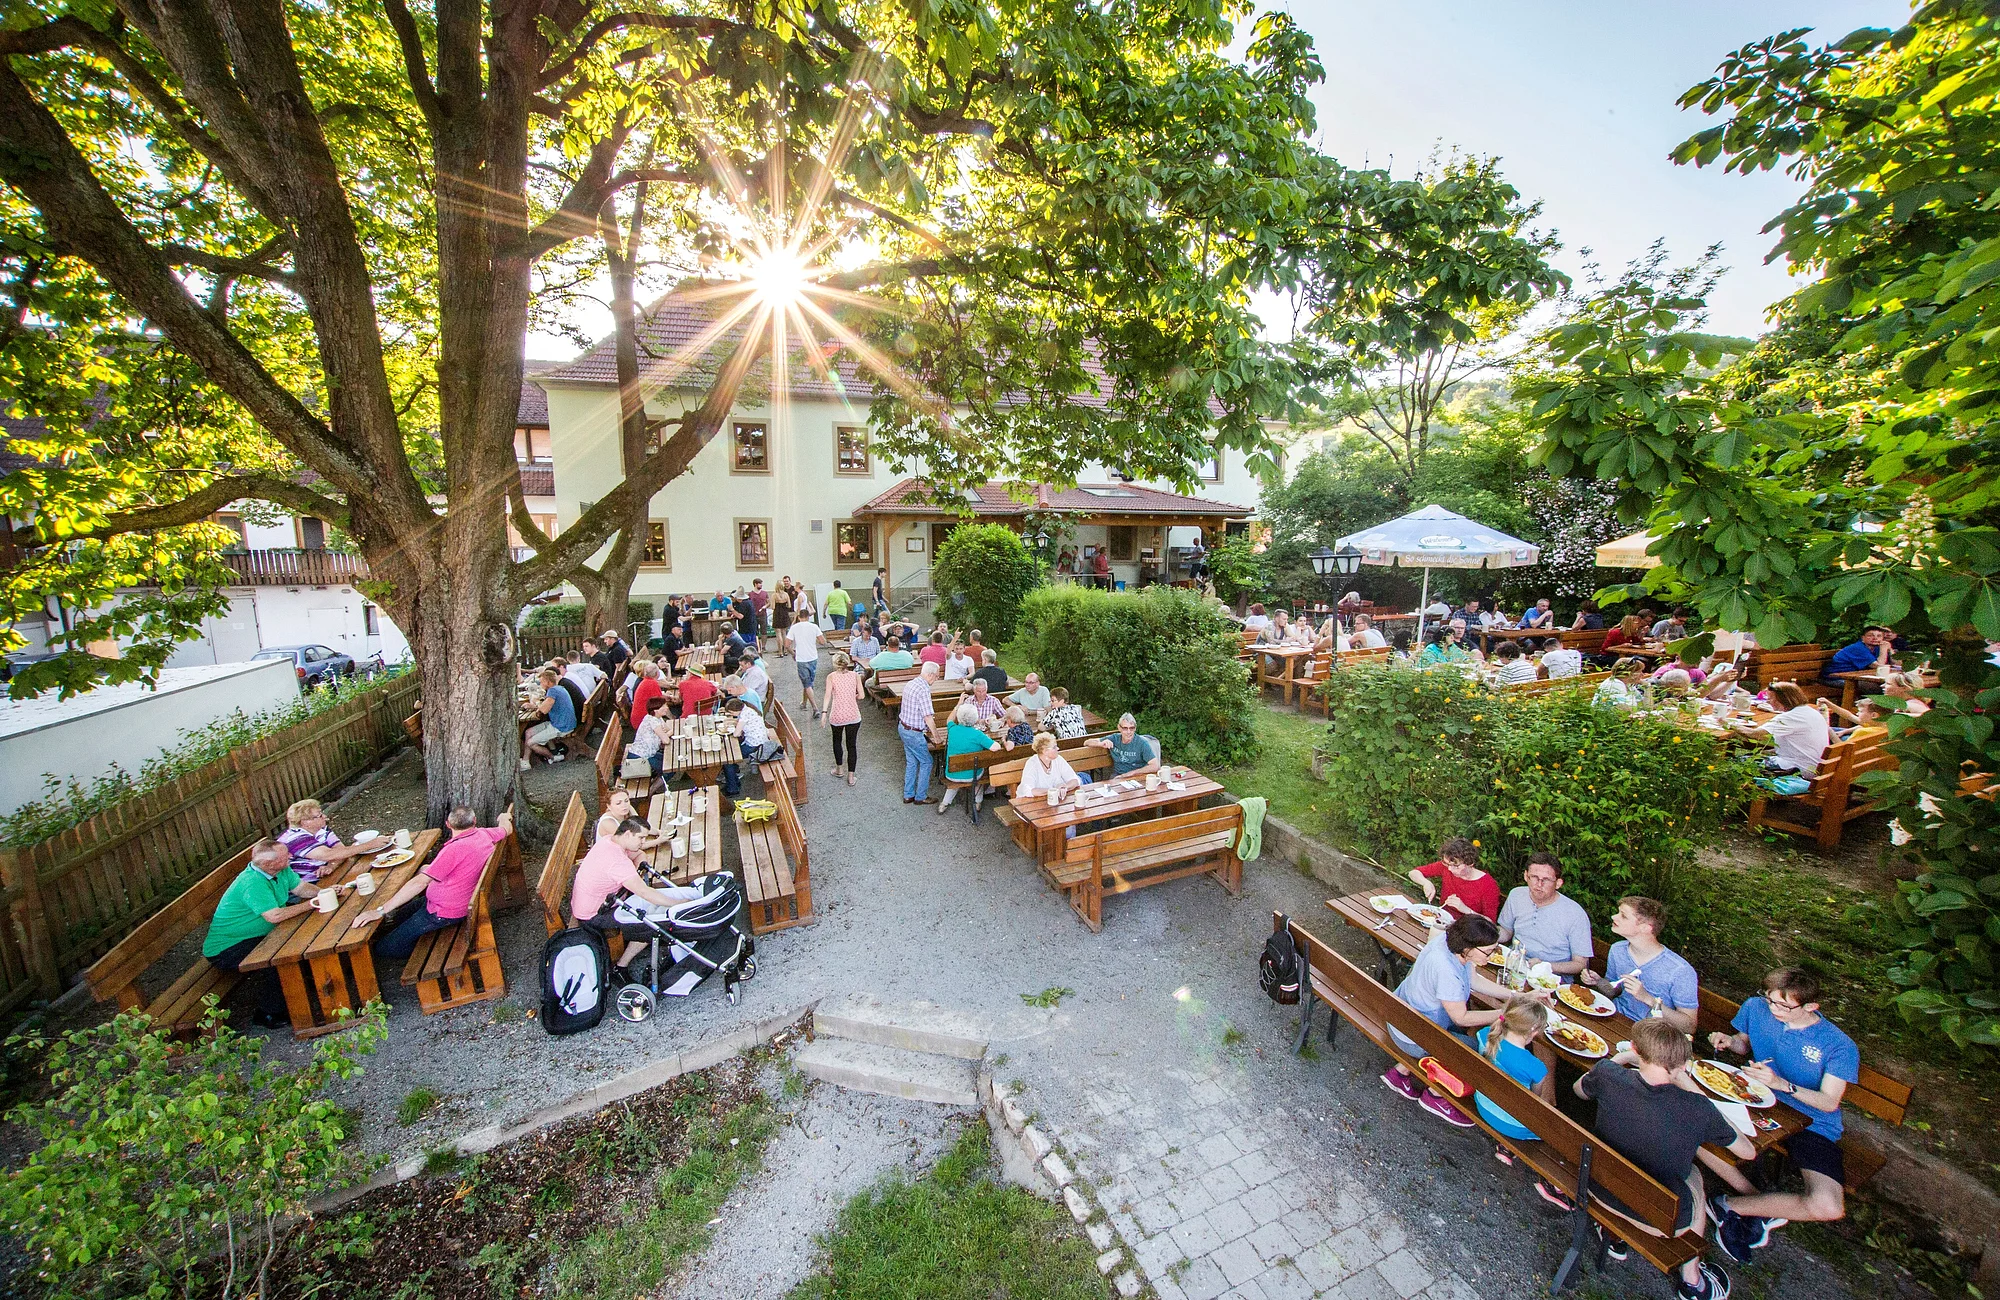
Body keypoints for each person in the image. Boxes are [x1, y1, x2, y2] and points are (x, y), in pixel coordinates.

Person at [1564, 1018, 1749, 1300]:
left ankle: (1612, 1232)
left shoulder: (1608, 1073)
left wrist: (1619, 1059)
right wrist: (1689, 1084)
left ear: (1636, 1049)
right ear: (1683, 1065)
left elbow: (1579, 1089)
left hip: (1595, 1184)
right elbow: (1748, 1151)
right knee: (1695, 1176)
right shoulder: (1698, 1109)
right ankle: (1692, 1280)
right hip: (1657, 1218)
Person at [1701, 967, 1859, 1263]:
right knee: (1692, 1124)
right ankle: (1759, 1199)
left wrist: (1782, 1085)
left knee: (1828, 1206)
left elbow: (1828, 1102)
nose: (1772, 1009)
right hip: (1755, 1100)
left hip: (1811, 1124)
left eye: (1783, 1006)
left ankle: (1731, 1205)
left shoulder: (1839, 1045)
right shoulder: (1756, 1007)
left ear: (1811, 1007)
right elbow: (1743, 1043)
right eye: (1770, 999)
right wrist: (1729, 1041)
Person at [1380, 914, 1514, 1126]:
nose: (1491, 955)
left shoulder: (1448, 943)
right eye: (1489, 951)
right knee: (1479, 1048)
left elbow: (1474, 980)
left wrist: (1516, 997)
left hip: (1401, 1015)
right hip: (1412, 1035)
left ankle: (1400, 1072)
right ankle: (1436, 1096)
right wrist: (1505, 1015)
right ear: (1469, 948)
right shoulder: (1446, 970)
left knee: (1466, 1037)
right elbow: (1461, 1017)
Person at [353, 806, 514, 960]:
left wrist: (380, 911)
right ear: (474, 821)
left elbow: (420, 883)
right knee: (394, 919)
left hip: (444, 912)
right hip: (447, 901)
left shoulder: (453, 850)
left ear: (448, 824)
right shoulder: (483, 834)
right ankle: (395, 932)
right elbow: (507, 828)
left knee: (384, 948)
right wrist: (504, 817)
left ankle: (424, 952)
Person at [203, 839, 320, 1026]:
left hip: (258, 933)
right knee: (276, 959)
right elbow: (274, 916)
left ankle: (305, 983)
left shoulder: (280, 870)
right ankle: (269, 1013)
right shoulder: (251, 883)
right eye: (284, 856)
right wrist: (311, 904)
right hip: (227, 948)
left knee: (300, 935)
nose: (290, 856)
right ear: (268, 864)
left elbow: (301, 888)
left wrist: (323, 893)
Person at [570, 816, 702, 972]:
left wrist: (636, 871)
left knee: (651, 903)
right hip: (594, 915)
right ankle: (621, 966)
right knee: (651, 924)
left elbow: (638, 855)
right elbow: (645, 892)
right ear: (627, 834)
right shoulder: (617, 861)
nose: (643, 842)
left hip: (594, 904)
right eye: (641, 837)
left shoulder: (609, 841)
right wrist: (677, 903)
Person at [1583, 896, 1700, 1033]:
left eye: (1624, 916)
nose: (1614, 917)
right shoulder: (1618, 949)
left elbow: (1689, 1026)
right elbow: (1613, 990)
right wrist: (1598, 981)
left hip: (1651, 1037)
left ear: (1645, 928)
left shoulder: (1680, 971)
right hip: (1613, 1019)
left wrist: (1648, 999)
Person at [1473, 996, 1554, 1159]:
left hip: (1483, 1104)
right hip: (1512, 1125)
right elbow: (1534, 1099)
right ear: (1534, 1031)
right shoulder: (1536, 1067)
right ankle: (1509, 1147)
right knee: (1554, 1127)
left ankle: (1507, 1148)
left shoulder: (1485, 1035)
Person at [1496, 853, 1595, 975]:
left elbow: (1580, 964)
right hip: (1514, 965)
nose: (1539, 884)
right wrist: (1486, 932)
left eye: (1546, 879)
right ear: (1526, 876)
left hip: (1551, 977)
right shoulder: (1516, 895)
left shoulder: (1575, 914)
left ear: (1558, 883)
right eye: (1534, 877)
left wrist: (1545, 966)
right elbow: (1506, 932)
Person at [277, 798, 380, 883]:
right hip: (305, 886)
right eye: (319, 815)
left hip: (325, 877)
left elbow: (340, 850)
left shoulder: (321, 829)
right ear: (305, 822)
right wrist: (370, 844)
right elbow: (329, 855)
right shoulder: (295, 838)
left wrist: (331, 865)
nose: (325, 817)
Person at [1741, 680, 1831, 777]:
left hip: (1800, 770)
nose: (1767, 701)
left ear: (1782, 699)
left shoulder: (1790, 717)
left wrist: (1728, 724)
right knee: (1751, 757)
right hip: (1813, 766)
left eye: (1770, 698)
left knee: (1740, 762)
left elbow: (1755, 734)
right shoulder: (1811, 712)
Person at [1405, 836, 1499, 920]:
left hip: (1467, 930)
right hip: (1441, 920)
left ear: (1470, 863)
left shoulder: (1488, 885)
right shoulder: (1446, 867)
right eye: (1447, 864)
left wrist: (1466, 910)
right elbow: (1413, 873)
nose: (1450, 869)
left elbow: (1490, 923)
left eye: (1456, 866)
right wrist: (1426, 883)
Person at [939, 701, 1001, 821]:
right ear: (975, 718)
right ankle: (978, 802)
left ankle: (944, 803)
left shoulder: (952, 729)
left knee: (956, 778)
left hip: (951, 774)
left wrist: (957, 706)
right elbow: (996, 747)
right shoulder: (978, 735)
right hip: (972, 776)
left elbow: (949, 720)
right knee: (979, 775)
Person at [819, 652, 865, 787]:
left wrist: (824, 713)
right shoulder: (855, 676)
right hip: (853, 715)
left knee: (837, 741)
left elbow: (827, 696)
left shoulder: (831, 677)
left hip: (837, 714)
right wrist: (853, 697)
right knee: (852, 745)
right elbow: (861, 696)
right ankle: (851, 777)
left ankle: (839, 769)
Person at [898, 662, 940, 805]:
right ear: (930, 674)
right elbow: (927, 716)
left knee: (911, 762)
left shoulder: (911, 683)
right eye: (936, 677)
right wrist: (936, 736)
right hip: (914, 733)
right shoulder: (923, 689)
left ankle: (908, 794)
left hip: (903, 728)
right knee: (927, 761)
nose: (936, 680)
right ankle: (920, 796)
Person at [520, 668, 577, 770]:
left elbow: (544, 710)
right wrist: (536, 706)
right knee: (528, 732)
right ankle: (525, 761)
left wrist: (535, 705)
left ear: (547, 682)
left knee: (530, 743)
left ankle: (553, 757)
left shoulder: (552, 691)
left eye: (541, 681)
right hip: (561, 722)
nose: (540, 683)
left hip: (561, 727)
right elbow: (544, 706)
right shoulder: (560, 688)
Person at [1091, 712, 1161, 777]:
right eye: (1125, 728)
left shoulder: (1142, 743)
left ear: (1135, 728)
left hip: (1137, 775)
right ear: (1119, 728)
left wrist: (1133, 773)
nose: (1128, 732)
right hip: (1118, 775)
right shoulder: (1114, 738)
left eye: (1131, 728)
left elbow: (1155, 765)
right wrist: (1101, 743)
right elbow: (1087, 742)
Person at [1016, 732, 1082, 800]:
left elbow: (1074, 780)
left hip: (1052, 800)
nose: (1058, 748)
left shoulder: (1058, 759)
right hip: (1032, 802)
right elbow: (1028, 790)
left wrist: (1065, 787)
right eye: (1054, 747)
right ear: (1045, 751)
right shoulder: (1032, 763)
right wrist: (1053, 790)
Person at [1823, 625, 1895, 682]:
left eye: (1879, 636)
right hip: (1834, 678)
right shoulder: (1857, 648)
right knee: (1875, 687)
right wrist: (1884, 649)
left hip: (1854, 676)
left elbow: (1897, 664)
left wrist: (1890, 649)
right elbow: (1879, 667)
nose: (1875, 638)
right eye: (1870, 635)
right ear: (1863, 638)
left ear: (1882, 638)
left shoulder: (1877, 647)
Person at [626, 692, 672, 780]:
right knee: (670, 768)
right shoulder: (653, 721)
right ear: (656, 710)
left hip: (648, 753)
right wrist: (665, 736)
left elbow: (669, 730)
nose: (667, 708)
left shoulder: (656, 717)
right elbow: (666, 740)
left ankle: (656, 785)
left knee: (671, 762)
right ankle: (652, 790)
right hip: (640, 758)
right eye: (664, 706)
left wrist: (665, 735)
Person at [787, 612, 825, 718]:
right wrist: (813, 641)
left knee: (807, 684)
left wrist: (793, 653)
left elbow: (786, 644)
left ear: (799, 617)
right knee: (809, 683)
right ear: (808, 617)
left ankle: (815, 708)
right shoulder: (814, 627)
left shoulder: (794, 628)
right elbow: (822, 641)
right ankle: (804, 703)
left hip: (801, 658)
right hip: (812, 657)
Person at [628, 662, 665, 728]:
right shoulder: (652, 683)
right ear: (657, 673)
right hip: (643, 721)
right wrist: (672, 717)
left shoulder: (646, 681)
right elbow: (660, 704)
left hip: (639, 718)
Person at [771, 577, 794, 646]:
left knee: (778, 633)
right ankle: (786, 649)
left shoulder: (774, 595)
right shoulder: (786, 595)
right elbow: (789, 605)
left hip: (777, 613)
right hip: (784, 613)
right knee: (784, 633)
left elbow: (773, 607)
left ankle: (780, 651)